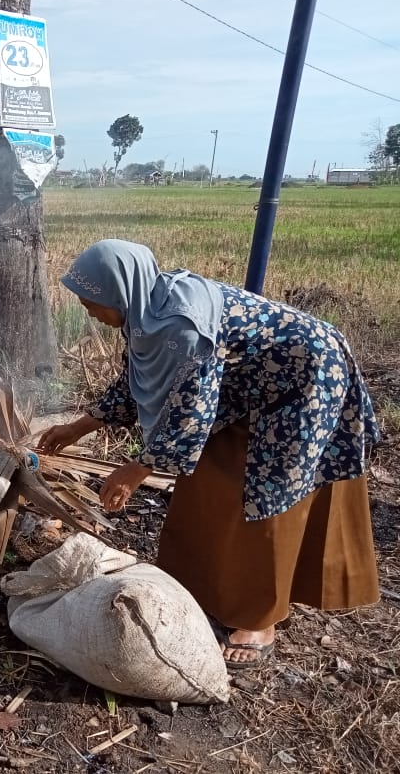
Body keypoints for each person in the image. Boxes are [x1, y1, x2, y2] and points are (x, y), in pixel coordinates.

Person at [38, 239, 381, 668]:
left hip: (305, 379)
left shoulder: (183, 326)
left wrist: (136, 469)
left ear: (121, 291)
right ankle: (201, 585)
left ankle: (260, 618)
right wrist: (79, 426)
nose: (89, 311)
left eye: (93, 303)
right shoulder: (148, 308)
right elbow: (137, 378)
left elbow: (190, 415)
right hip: (251, 384)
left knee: (266, 496)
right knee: (210, 479)